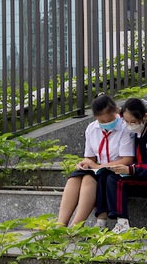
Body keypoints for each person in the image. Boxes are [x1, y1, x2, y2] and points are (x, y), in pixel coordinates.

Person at [57, 95, 135, 227]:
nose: (106, 124)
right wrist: (85, 163)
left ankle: (76, 226)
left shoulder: (125, 127)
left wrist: (98, 166)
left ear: (116, 111)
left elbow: (127, 159)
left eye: (109, 120)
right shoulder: (92, 129)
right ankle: (60, 224)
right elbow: (90, 157)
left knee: (89, 179)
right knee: (74, 178)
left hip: (117, 170)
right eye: (102, 121)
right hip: (98, 168)